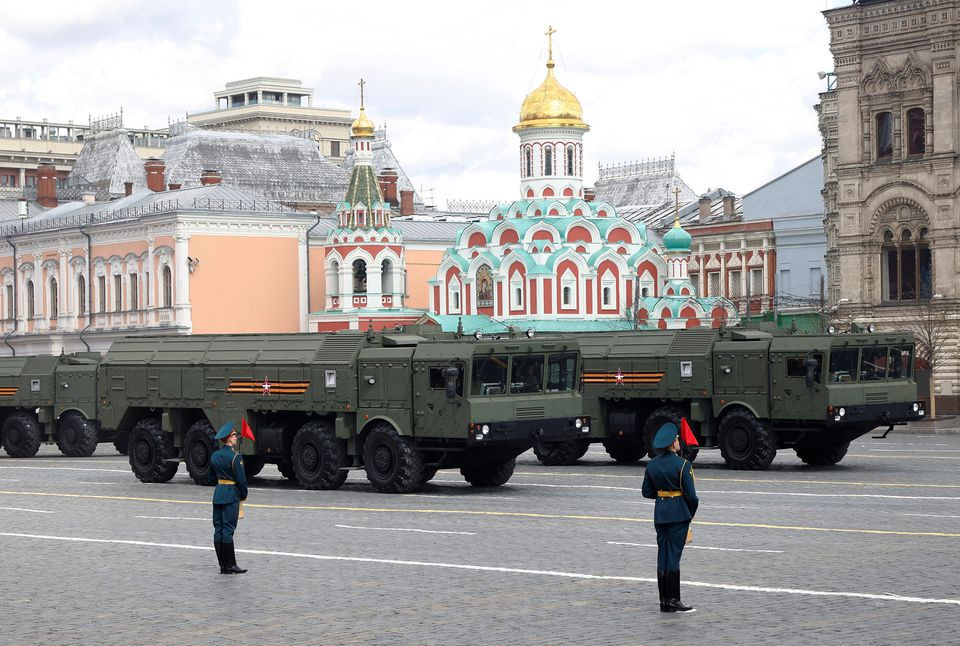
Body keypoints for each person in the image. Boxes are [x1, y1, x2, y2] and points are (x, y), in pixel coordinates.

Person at [641, 422, 699, 613]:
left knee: (663, 555)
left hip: (660, 514)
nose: (678, 441)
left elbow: (647, 492)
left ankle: (664, 601)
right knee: (673, 556)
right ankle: (674, 599)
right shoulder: (683, 465)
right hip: (678, 515)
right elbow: (692, 497)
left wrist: (663, 496)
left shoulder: (652, 464)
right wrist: (689, 514)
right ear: (673, 443)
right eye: (677, 439)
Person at [212, 421, 248, 574]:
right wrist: (243, 495)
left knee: (218, 529)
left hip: (218, 493)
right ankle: (231, 565)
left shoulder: (215, 455)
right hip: (231, 495)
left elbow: (211, 475)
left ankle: (222, 565)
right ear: (228, 438)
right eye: (234, 435)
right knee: (228, 529)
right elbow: (241, 480)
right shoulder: (235, 457)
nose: (236, 438)